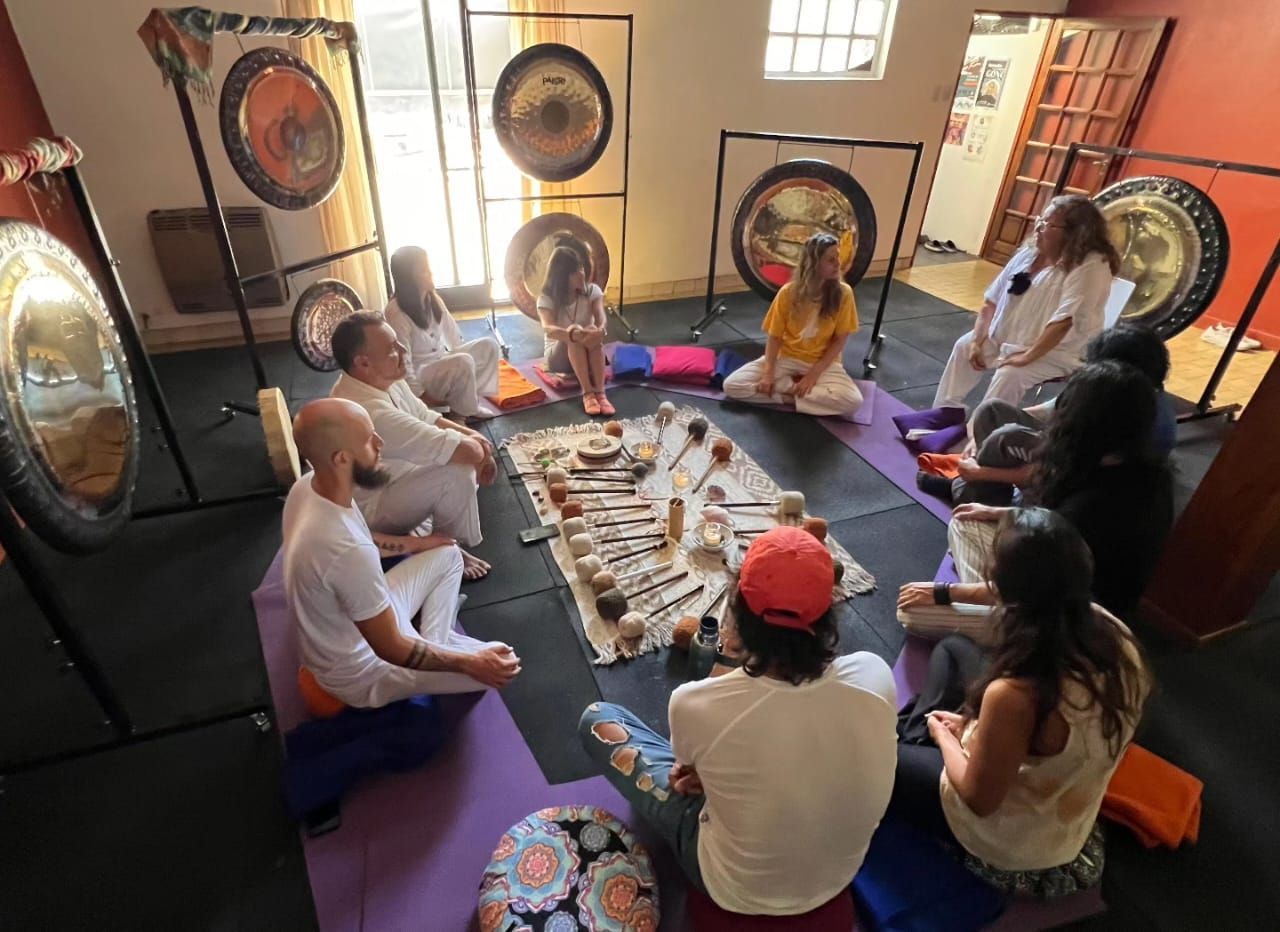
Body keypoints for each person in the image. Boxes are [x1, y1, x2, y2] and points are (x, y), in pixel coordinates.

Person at [579, 527, 897, 916]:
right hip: (840, 874)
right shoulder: (874, 673)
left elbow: (687, 776)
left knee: (598, 719)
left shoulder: (695, 703)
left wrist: (703, 770)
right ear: (829, 612)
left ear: (738, 615)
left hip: (734, 888)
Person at [890, 508, 1149, 892]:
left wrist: (947, 737)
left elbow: (981, 800)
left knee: (876, 752)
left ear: (1008, 593)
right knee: (955, 648)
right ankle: (925, 732)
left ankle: (918, 733)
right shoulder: (1115, 635)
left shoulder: (1016, 696)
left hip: (1007, 839)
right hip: (1056, 798)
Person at [899, 360, 1174, 639]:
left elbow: (1037, 585)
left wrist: (944, 592)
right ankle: (988, 598)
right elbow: (1049, 524)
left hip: (1066, 621)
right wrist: (998, 513)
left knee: (912, 614)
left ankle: (1003, 631)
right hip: (1055, 576)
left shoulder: (1091, 506)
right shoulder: (1139, 470)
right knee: (966, 519)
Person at [282, 398, 521, 708]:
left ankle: (438, 638)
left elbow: (361, 538)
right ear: (341, 459)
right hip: (362, 671)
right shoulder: (344, 550)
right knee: (503, 662)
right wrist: (468, 663)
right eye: (369, 440)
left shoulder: (307, 487)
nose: (380, 444)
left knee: (449, 553)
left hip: (366, 618)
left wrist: (419, 544)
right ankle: (440, 644)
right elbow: (391, 648)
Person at [921, 322, 1178, 507]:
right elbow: (1048, 412)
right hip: (1071, 462)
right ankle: (973, 487)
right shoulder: (1113, 389)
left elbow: (1062, 471)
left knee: (1007, 437)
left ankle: (978, 493)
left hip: (1077, 492)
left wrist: (981, 472)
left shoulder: (1137, 418)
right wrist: (979, 442)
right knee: (991, 411)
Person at [330, 311, 497, 580]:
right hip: (371, 510)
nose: (403, 350)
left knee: (459, 454)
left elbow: (427, 416)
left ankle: (435, 538)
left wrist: (475, 438)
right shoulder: (370, 412)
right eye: (392, 349)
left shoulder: (382, 378)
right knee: (459, 472)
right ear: (363, 363)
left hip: (394, 478)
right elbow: (464, 452)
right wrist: (480, 451)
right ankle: (446, 551)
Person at [934, 194, 1120, 411]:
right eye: (1040, 220)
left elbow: (1064, 321)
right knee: (964, 347)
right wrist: (978, 340)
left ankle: (978, 437)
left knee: (1010, 375)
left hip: (1056, 352)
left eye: (1048, 224)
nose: (1038, 227)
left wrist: (1026, 357)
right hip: (1005, 337)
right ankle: (943, 413)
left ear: (1074, 233)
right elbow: (991, 302)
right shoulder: (1028, 253)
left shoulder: (1091, 266)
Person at [722, 232, 863, 418]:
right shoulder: (788, 293)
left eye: (837, 257)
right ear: (813, 264)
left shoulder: (844, 293)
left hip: (823, 363)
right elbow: (775, 337)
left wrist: (812, 376)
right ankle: (794, 395)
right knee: (732, 385)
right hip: (787, 357)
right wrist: (769, 373)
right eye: (830, 259)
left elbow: (839, 341)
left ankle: (786, 393)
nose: (838, 263)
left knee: (853, 401)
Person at [384, 245, 500, 419]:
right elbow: (402, 363)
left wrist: (464, 368)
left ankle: (469, 403)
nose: (430, 273)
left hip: (440, 362)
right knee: (463, 361)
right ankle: (461, 413)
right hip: (421, 376)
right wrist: (421, 397)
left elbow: (454, 338)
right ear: (409, 278)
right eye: (424, 270)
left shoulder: (432, 298)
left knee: (488, 346)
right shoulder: (396, 313)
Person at [536, 245, 613, 416]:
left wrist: (600, 330)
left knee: (591, 328)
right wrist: (572, 334)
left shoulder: (592, 291)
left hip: (587, 349)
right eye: (575, 272)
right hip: (558, 357)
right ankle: (587, 393)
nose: (582, 274)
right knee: (574, 332)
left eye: (581, 268)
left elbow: (601, 318)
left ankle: (600, 393)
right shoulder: (546, 298)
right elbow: (548, 328)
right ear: (562, 277)